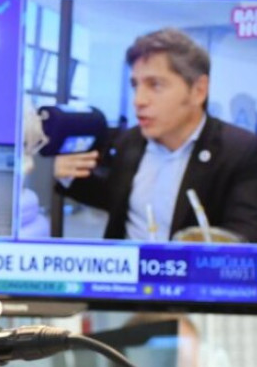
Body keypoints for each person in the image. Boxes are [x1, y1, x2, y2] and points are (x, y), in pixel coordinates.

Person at [54, 27, 257, 242]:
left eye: (155, 85)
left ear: (198, 90)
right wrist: (69, 175)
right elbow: (113, 199)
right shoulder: (129, 141)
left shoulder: (241, 151)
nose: (138, 100)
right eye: (136, 85)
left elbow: (245, 233)